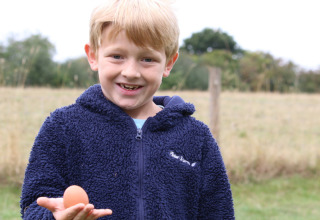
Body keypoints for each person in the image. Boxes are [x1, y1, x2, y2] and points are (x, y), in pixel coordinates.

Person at [20, 0, 235, 219]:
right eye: (117, 56)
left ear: (168, 63)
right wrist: (55, 217)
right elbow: (34, 205)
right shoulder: (62, 127)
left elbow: (219, 212)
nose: (131, 72)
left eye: (147, 59)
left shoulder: (196, 137)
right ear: (93, 56)